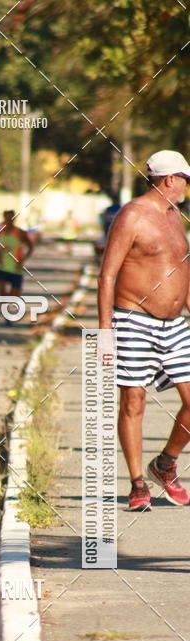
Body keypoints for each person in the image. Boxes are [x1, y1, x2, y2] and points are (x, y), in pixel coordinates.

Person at [98, 149, 190, 510]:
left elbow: (183, 274)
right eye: (185, 180)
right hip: (133, 319)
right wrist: (105, 332)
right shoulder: (132, 216)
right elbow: (107, 274)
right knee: (134, 400)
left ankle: (164, 464)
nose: (186, 187)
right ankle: (138, 483)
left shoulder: (175, 217)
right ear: (169, 179)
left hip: (175, 324)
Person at [0, 210, 33, 298]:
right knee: (2, 293)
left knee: (14, 296)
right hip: (1, 267)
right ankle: (4, 309)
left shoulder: (20, 233)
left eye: (11, 218)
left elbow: (30, 246)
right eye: (6, 218)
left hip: (16, 267)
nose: (8, 220)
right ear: (4, 218)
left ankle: (9, 302)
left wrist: (23, 258)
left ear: (14, 219)